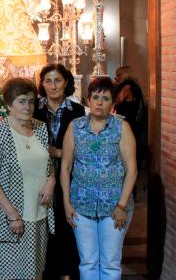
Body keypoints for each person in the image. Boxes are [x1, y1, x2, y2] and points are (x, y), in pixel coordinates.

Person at [0, 77, 55, 280]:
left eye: (31, 101)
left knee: (35, 273)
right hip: (12, 218)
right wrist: (12, 215)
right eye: (21, 101)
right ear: (9, 104)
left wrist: (51, 181)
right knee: (9, 274)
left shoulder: (40, 129)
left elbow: (48, 165)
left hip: (39, 214)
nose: (28, 106)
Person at [61, 77, 138, 280]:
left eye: (105, 98)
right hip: (81, 206)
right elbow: (66, 166)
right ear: (88, 100)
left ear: (112, 103)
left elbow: (132, 170)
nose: (99, 102)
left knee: (111, 263)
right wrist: (67, 203)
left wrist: (121, 206)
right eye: (96, 97)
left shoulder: (122, 128)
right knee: (87, 262)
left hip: (114, 208)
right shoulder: (75, 127)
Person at [34, 64, 85, 280]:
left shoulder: (78, 111)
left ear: (66, 83)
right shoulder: (34, 109)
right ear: (42, 84)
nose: (53, 86)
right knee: (43, 225)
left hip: (70, 176)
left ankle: (67, 273)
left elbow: (82, 146)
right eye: (48, 81)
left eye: (58, 80)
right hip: (40, 177)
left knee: (66, 226)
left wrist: (59, 152)